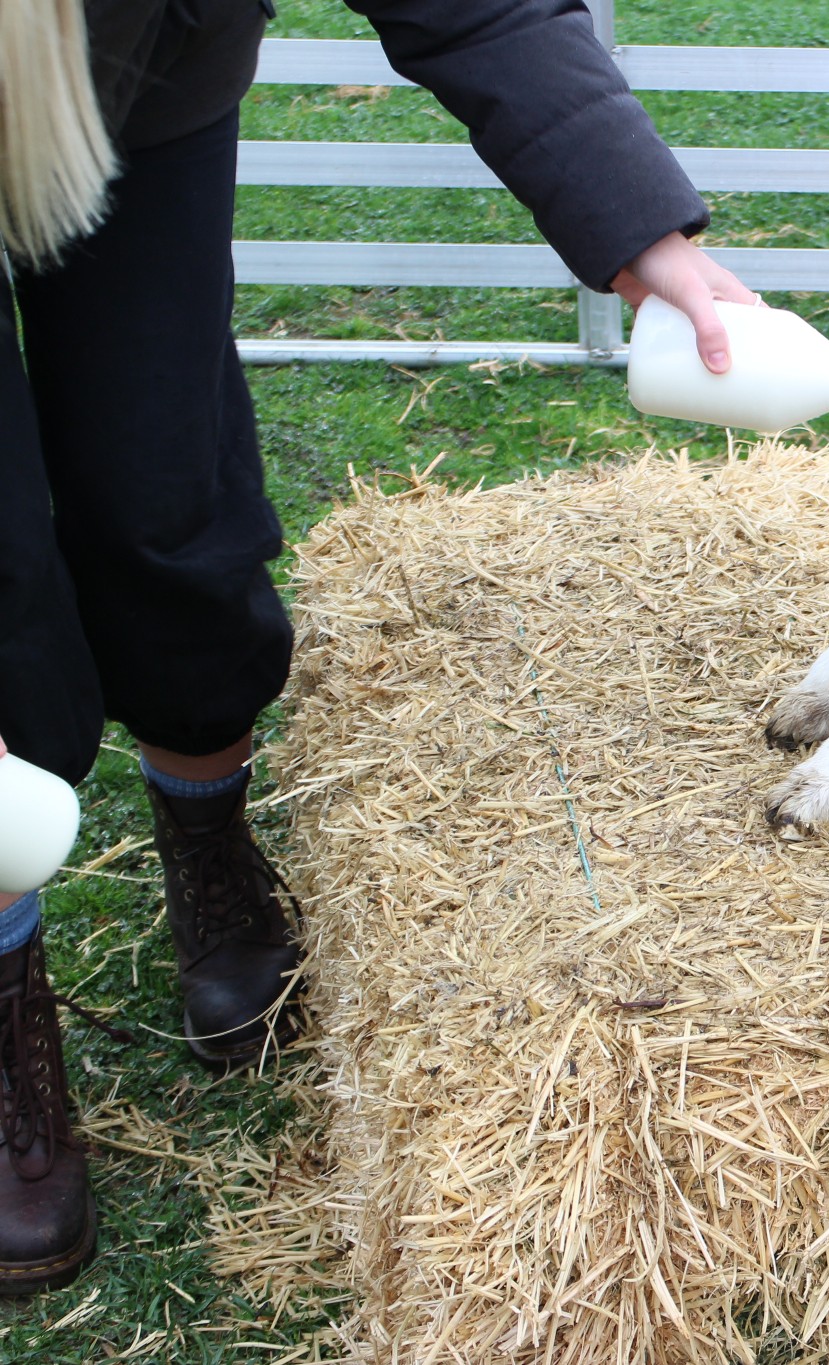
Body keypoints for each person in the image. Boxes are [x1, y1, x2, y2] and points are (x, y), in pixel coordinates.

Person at [0, 0, 757, 1296]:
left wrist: (638, 222)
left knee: (166, 496)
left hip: (141, 71)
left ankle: (211, 844)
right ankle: (8, 1015)